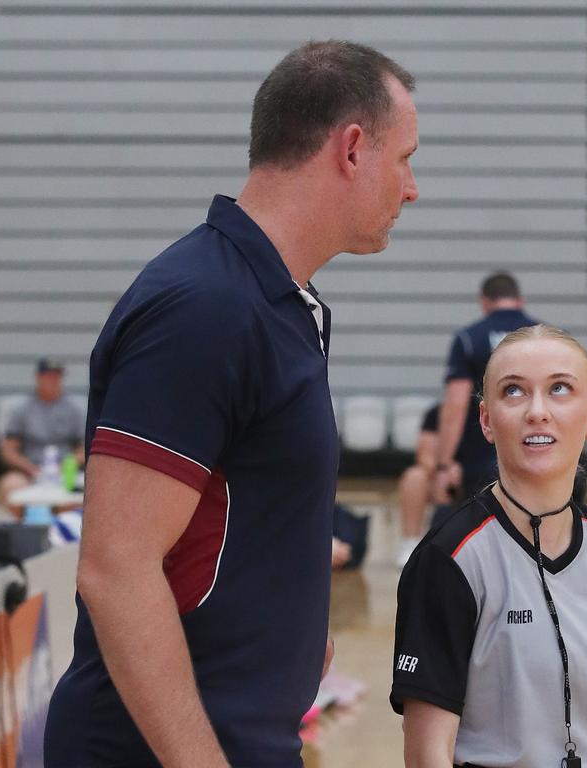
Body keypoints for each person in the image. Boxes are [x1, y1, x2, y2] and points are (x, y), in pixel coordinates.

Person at [44, 41, 418, 768]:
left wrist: (296, 636)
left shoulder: (273, 303)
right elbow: (116, 567)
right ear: (351, 149)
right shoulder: (206, 308)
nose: (412, 187)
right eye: (405, 158)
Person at [392, 324, 587, 768]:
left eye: (560, 389)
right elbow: (427, 755)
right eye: (514, 392)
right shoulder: (449, 560)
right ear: (487, 420)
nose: (537, 411)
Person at [432, 272, 538, 506]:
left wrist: (444, 464)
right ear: (520, 300)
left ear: (484, 301)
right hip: (538, 455)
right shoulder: (547, 337)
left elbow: (456, 405)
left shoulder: (470, 338)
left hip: (482, 462)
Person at [0, 358, 85, 517]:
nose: (53, 381)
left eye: (56, 377)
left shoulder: (74, 409)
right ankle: (21, 530)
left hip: (64, 472)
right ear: (38, 378)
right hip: (29, 470)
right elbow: (9, 449)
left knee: (78, 496)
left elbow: (84, 448)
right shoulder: (21, 409)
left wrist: (68, 464)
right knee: (11, 485)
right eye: (48, 377)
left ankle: (64, 533)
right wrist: (30, 468)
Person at [396, 402, 444, 567]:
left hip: (481, 476)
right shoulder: (437, 413)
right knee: (414, 477)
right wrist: (443, 470)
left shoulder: (493, 412)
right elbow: (425, 456)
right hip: (444, 476)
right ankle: (411, 543)